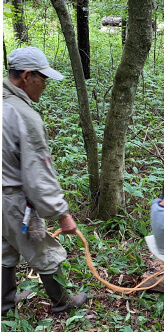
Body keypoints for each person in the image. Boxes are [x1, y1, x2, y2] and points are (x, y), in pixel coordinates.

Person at [2, 46, 87, 315]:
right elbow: (38, 175)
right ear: (27, 76)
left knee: (4, 250)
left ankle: (4, 304)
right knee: (44, 252)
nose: (45, 86)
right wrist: (62, 214)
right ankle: (63, 303)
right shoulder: (24, 116)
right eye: (43, 78)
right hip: (13, 198)